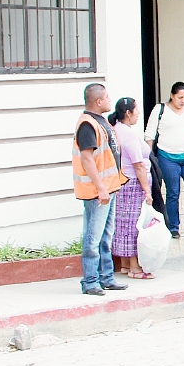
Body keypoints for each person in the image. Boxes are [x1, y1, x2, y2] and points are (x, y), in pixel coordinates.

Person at [72, 84, 130, 296]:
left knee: (106, 237)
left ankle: (106, 278)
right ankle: (90, 282)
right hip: (98, 192)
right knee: (92, 238)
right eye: (106, 97)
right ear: (98, 102)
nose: (109, 100)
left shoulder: (101, 121)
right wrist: (101, 188)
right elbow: (87, 158)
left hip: (109, 188)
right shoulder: (88, 125)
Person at [145, 82, 184, 240]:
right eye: (180, 97)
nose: (183, 101)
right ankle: (173, 226)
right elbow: (150, 134)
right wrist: (149, 156)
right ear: (172, 96)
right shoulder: (160, 110)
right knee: (173, 193)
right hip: (167, 157)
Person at [108, 97, 155, 278]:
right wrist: (147, 190)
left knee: (123, 223)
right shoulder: (128, 135)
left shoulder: (116, 130)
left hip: (122, 182)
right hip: (133, 183)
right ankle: (135, 267)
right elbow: (138, 165)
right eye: (136, 110)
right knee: (134, 225)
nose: (138, 114)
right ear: (128, 113)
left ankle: (125, 265)